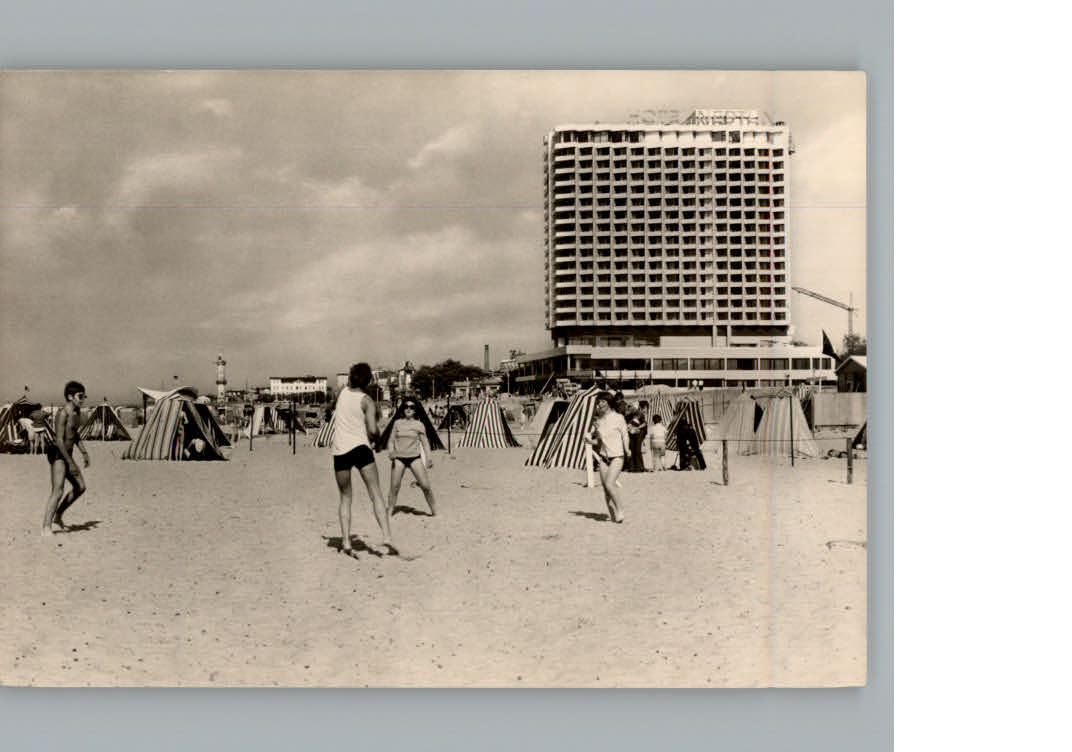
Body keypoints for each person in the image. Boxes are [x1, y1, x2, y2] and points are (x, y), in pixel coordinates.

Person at [331, 363, 396, 559]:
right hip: (360, 447)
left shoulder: (341, 393)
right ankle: (387, 537)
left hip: (340, 449)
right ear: (369, 380)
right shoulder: (367, 401)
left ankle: (346, 541)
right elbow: (373, 430)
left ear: (351, 377)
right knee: (375, 493)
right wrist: (378, 441)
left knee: (345, 497)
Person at [42, 381, 89, 535]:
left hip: (68, 454)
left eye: (84, 396)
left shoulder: (77, 413)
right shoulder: (62, 413)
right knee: (58, 490)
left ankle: (58, 516)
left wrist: (84, 452)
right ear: (70, 397)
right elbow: (59, 441)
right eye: (80, 396)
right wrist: (71, 463)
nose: (83, 399)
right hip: (58, 453)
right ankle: (46, 527)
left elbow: (75, 434)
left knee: (80, 487)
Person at [583, 391, 630, 523]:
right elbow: (599, 442)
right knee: (606, 489)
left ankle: (620, 510)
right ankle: (613, 514)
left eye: (602, 401)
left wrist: (627, 449)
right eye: (599, 402)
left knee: (610, 483)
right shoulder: (599, 421)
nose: (600, 404)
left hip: (617, 457)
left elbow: (625, 435)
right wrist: (589, 441)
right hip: (603, 458)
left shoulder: (619, 418)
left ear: (609, 403)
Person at [385, 399, 437, 517]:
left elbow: (425, 443)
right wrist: (391, 452)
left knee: (425, 486)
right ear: (403, 409)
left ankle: (435, 511)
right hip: (399, 458)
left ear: (415, 410)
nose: (408, 409)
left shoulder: (419, 425)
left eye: (412, 407)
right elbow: (391, 441)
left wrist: (429, 458)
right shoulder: (397, 423)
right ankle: (389, 512)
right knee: (394, 487)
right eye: (406, 407)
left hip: (415, 458)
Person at [625, 402, 647, 472]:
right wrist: (629, 428)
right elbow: (626, 423)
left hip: (638, 434)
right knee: (632, 449)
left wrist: (638, 428)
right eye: (629, 407)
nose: (630, 408)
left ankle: (639, 467)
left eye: (631, 407)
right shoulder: (629, 415)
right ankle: (632, 467)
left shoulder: (640, 413)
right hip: (631, 434)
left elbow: (644, 423)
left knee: (637, 450)